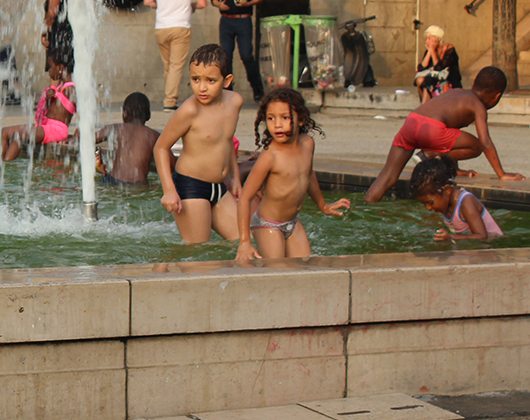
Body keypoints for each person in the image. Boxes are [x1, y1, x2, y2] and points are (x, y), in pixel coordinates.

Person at [364, 66, 524, 202]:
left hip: (412, 121)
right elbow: (485, 142)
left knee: (388, 176)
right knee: (476, 147)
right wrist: (501, 174)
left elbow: (453, 134)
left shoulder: (457, 92)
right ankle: (428, 155)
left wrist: (456, 169)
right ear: (497, 96)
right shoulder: (477, 105)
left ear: (474, 83)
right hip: (432, 130)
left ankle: (367, 205)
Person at [235, 88, 350, 261]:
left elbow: (308, 175)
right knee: (277, 272)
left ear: (301, 120)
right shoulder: (270, 156)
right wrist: (244, 242)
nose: (277, 125)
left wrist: (322, 205)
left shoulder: (307, 144)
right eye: (270, 118)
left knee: (305, 269)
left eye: (285, 117)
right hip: (268, 225)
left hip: (292, 222)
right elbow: (245, 198)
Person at [153, 44, 243, 243]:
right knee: (198, 252)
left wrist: (235, 177)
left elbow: (226, 141)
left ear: (226, 81)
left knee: (244, 241)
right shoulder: (189, 111)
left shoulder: (235, 102)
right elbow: (160, 147)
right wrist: (169, 190)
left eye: (210, 81)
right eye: (195, 79)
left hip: (219, 187)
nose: (202, 87)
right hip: (191, 187)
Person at [143, 0, 207, 111]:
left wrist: (162, 6)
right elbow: (202, 3)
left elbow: (147, 1)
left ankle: (169, 96)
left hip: (161, 28)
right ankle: (169, 102)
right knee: (176, 66)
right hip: (180, 27)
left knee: (168, 66)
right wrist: (191, 6)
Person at [1, 47, 74, 162]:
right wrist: (49, 100)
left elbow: (85, 113)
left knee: (18, 135)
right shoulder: (60, 87)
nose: (48, 71)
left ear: (60, 68)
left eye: (50, 67)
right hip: (46, 126)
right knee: (4, 132)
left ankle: (7, 165)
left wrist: (76, 136)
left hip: (57, 130)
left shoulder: (70, 89)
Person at [209, 0, 264, 99]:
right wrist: (219, 4)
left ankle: (256, 89)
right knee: (226, 57)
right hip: (226, 21)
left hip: (243, 20)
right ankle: (228, 91)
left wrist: (248, 4)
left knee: (247, 55)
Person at [410, 155, 504, 242]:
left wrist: (451, 237)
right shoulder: (445, 204)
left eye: (430, 202)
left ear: (447, 190)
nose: (428, 208)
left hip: (492, 245)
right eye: (424, 204)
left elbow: (482, 236)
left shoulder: (466, 202)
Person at [95, 93, 160, 185]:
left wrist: (96, 156)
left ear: (125, 113)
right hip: (136, 185)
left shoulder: (115, 128)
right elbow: (173, 165)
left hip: (111, 180)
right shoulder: (153, 136)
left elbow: (88, 140)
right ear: (148, 115)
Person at [414, 24, 460, 101]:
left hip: (448, 79)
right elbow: (421, 68)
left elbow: (439, 67)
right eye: (426, 39)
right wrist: (429, 51)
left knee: (428, 83)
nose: (427, 41)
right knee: (421, 80)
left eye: (429, 38)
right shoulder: (431, 50)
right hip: (434, 78)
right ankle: (425, 106)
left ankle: (424, 106)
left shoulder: (450, 50)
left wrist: (432, 50)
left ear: (437, 39)